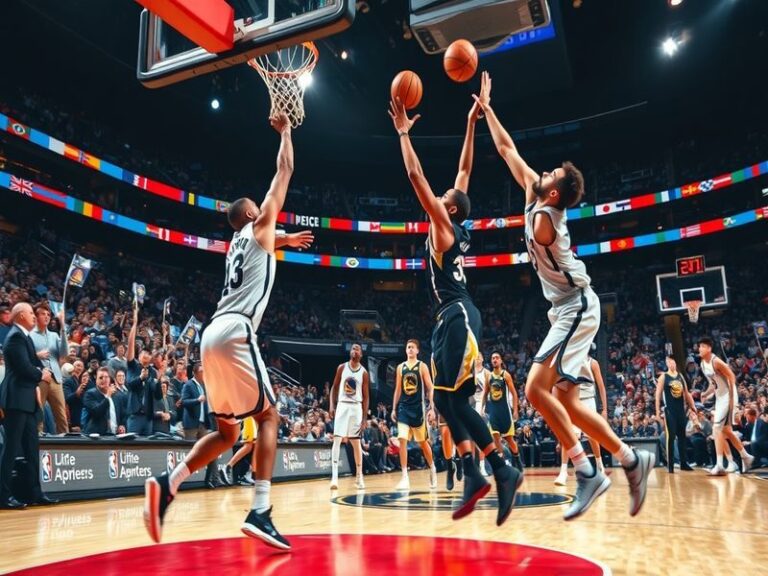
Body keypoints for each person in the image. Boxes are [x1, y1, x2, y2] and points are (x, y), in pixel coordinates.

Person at [474, 71, 653, 520]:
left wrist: (531, 193)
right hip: (564, 309)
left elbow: (526, 181)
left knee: (535, 388)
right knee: (569, 402)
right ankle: (632, 459)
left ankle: (586, 471)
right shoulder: (542, 197)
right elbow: (506, 150)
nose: (543, 171)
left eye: (549, 174)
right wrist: (488, 110)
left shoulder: (546, 219)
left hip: (577, 306)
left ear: (553, 192)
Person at [144, 112, 313, 551]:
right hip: (237, 330)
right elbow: (285, 170)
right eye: (261, 210)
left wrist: (286, 241)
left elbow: (265, 243)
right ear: (253, 214)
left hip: (211, 333)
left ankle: (169, 482)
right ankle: (260, 509)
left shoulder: (239, 242)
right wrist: (287, 132)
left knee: (228, 433)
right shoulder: (260, 225)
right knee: (270, 416)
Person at [388, 93, 521, 526]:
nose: (444, 191)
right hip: (452, 318)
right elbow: (464, 171)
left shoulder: (443, 226)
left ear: (447, 208)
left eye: (444, 196)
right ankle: (476, 472)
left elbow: (412, 174)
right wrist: (470, 122)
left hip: (458, 315)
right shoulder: (455, 220)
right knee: (446, 401)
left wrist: (405, 134)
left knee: (448, 399)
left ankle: (498, 468)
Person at [0, 303, 57, 508]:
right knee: (11, 449)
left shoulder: (24, 337)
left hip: (28, 402)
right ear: (21, 315)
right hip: (16, 401)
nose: (34, 316)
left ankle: (35, 493)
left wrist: (45, 371)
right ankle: (3, 496)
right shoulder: (15, 337)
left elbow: (35, 362)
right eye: (32, 313)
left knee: (32, 449)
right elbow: (25, 367)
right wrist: (41, 375)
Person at [698, 337, 754, 474]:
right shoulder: (703, 364)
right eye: (699, 346)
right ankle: (745, 456)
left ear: (709, 348)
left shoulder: (716, 361)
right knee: (725, 431)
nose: (699, 349)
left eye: (702, 346)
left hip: (728, 396)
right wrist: (706, 394)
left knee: (716, 428)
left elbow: (732, 377)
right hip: (719, 397)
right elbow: (713, 383)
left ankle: (719, 465)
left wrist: (731, 401)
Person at [555, 351, 609, 485]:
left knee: (592, 436)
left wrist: (605, 409)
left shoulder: (593, 363)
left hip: (589, 400)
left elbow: (601, 387)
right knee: (568, 435)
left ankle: (599, 465)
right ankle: (563, 472)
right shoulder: (569, 362)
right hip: (573, 400)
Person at [391, 339, 437, 491]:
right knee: (402, 440)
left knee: (422, 443)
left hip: (418, 409)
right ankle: (405, 477)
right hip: (404, 408)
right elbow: (398, 389)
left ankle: (432, 468)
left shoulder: (422, 366)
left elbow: (430, 388)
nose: (410, 349)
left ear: (417, 351)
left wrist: (431, 407)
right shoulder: (400, 368)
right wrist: (393, 408)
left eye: (412, 347)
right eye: (408, 347)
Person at [329, 343, 370, 490]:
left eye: (357, 349)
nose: (355, 351)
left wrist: (365, 418)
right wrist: (332, 405)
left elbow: (366, 397)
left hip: (356, 407)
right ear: (350, 352)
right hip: (342, 405)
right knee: (337, 439)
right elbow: (334, 386)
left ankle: (359, 476)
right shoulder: (342, 367)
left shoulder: (364, 373)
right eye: (353, 348)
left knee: (356, 442)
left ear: (361, 354)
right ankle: (334, 477)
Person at [29, 302, 69, 433]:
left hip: (56, 379)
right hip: (39, 378)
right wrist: (36, 355)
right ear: (35, 317)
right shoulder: (29, 336)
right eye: (42, 314)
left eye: (48, 314)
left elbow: (64, 353)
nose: (46, 317)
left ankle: (67, 449)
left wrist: (63, 326)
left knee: (61, 415)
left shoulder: (54, 335)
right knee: (38, 415)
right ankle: (37, 445)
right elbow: (23, 357)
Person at [480, 352, 523, 472]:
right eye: (493, 358)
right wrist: (482, 408)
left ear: (501, 361)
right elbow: (485, 393)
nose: (494, 360)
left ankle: (517, 458)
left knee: (510, 440)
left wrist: (515, 410)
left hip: (505, 411)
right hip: (494, 412)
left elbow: (514, 393)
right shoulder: (489, 377)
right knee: (495, 437)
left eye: (497, 358)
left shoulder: (506, 375)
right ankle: (502, 461)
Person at [655, 355, 697, 473]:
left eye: (673, 361)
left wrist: (693, 406)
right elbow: (658, 394)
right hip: (670, 411)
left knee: (682, 437)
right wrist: (657, 411)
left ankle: (684, 463)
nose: (671, 364)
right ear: (667, 363)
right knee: (671, 437)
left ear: (675, 363)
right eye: (669, 362)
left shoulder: (680, 376)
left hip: (680, 410)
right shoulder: (664, 377)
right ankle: (671, 465)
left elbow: (687, 393)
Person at [83, 367, 118, 435]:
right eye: (100, 377)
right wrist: (108, 396)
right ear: (96, 380)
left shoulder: (116, 395)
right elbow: (96, 412)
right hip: (96, 437)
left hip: (114, 436)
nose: (103, 380)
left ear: (110, 379)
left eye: (106, 377)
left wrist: (121, 425)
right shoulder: (89, 394)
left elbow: (122, 414)